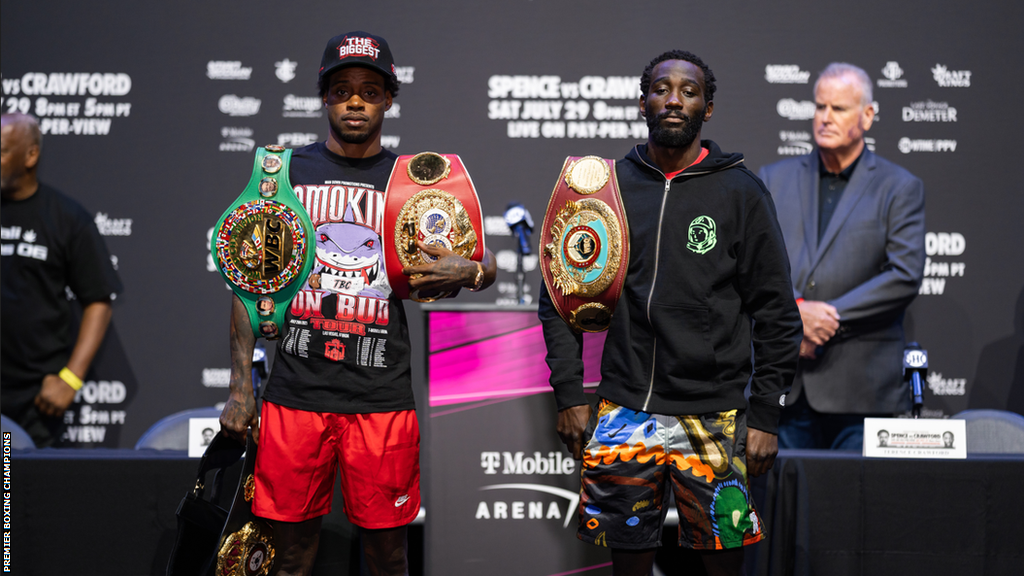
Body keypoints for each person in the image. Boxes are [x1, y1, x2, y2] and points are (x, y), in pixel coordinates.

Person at [219, 31, 496, 576]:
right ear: (324, 97)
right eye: (342, 88)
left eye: (370, 91)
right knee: (288, 554)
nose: (355, 100)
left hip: (381, 398)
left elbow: (483, 265)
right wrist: (238, 389)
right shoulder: (285, 175)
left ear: (389, 100)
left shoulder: (412, 182)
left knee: (388, 556)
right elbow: (245, 286)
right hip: (294, 393)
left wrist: (474, 272)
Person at [539, 50, 801, 576]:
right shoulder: (606, 189)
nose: (674, 99)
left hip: (715, 414)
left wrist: (767, 415)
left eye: (689, 90)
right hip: (624, 411)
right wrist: (570, 393)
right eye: (662, 88)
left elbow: (776, 313)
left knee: (721, 568)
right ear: (643, 103)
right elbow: (557, 295)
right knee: (628, 567)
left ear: (708, 108)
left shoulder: (741, 192)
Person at [758, 63, 926, 451]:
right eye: (820, 107)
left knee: (857, 510)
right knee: (782, 509)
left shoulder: (899, 187)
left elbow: (904, 274)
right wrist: (796, 311)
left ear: (867, 115)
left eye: (839, 108)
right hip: (786, 384)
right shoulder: (773, 178)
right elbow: (755, 264)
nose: (825, 118)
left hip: (863, 389)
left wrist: (826, 317)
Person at [1, 113, 121, 448]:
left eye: (1, 151)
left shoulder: (67, 217)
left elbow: (98, 300)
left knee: (12, 496)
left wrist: (70, 379)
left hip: (33, 400)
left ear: (30, 155)